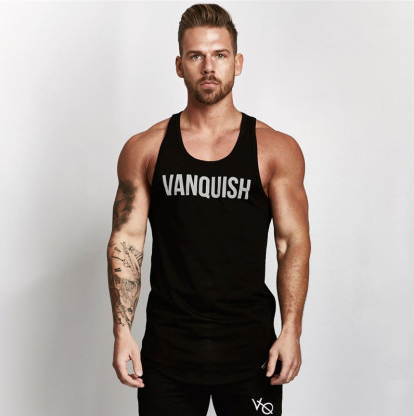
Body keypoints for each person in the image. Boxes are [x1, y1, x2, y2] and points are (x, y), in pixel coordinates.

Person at [106, 3, 310, 415]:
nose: (209, 67)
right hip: (168, 353)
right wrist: (122, 331)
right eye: (196, 56)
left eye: (219, 55)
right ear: (179, 66)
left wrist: (292, 331)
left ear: (238, 63)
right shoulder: (145, 149)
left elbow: (292, 244)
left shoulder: (275, 149)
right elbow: (127, 240)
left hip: (251, 354)